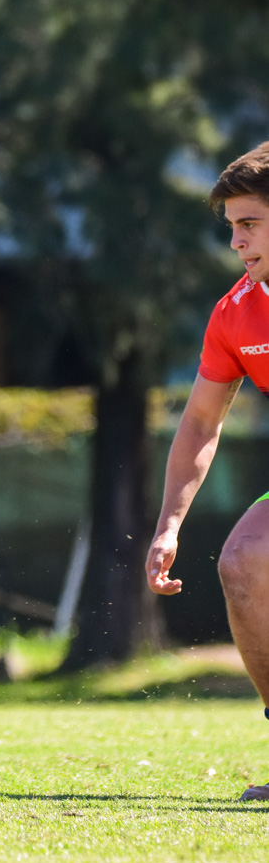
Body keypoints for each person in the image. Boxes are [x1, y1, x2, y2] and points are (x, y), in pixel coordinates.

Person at [146, 141, 269, 802]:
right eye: (231, 229)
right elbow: (199, 423)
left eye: (249, 224)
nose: (236, 243)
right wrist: (169, 525)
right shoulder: (237, 313)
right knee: (243, 560)